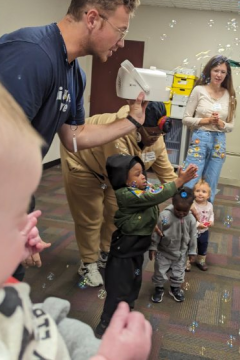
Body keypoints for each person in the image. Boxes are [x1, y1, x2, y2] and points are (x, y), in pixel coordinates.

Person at [0, 41, 151, 360]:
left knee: (74, 330)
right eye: (8, 214)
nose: (27, 220)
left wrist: (5, 249)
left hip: (26, 323)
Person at [0, 0, 145, 276]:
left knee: (6, 292)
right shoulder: (31, 55)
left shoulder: (74, 72)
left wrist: (132, 120)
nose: (121, 43)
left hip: (10, 192)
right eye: (120, 31)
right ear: (93, 18)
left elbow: (75, 137)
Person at [60, 102, 177, 287]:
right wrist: (149, 215)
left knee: (116, 213)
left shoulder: (156, 138)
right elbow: (130, 189)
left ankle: (106, 251)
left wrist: (187, 202)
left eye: (160, 133)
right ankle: (88, 262)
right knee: (91, 215)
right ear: (138, 127)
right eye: (153, 133)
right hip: (82, 161)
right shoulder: (117, 138)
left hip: (115, 173)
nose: (157, 138)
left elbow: (167, 175)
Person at [95, 154, 198, 337]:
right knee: (119, 290)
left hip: (136, 250)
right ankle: (105, 327)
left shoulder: (141, 188)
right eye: (136, 174)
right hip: (124, 252)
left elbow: (157, 191)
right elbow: (156, 195)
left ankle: (125, 318)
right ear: (123, 180)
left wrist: (152, 227)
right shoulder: (126, 194)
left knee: (133, 285)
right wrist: (179, 179)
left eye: (142, 172)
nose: (143, 176)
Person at [182, 55, 237, 202]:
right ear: (209, 71)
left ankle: (204, 219)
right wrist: (206, 120)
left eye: (223, 72)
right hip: (200, 137)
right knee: (190, 179)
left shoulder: (229, 94)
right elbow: (186, 119)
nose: (219, 75)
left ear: (227, 75)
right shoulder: (199, 90)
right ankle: (184, 213)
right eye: (216, 70)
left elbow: (231, 125)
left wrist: (222, 124)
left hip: (219, 141)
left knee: (211, 183)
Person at [149, 187, 197, 303]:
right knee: (160, 271)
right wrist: (153, 247)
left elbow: (193, 236)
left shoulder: (191, 219)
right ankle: (159, 288)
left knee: (179, 272)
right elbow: (156, 232)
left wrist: (192, 251)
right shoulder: (165, 216)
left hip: (181, 253)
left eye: (184, 211)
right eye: (178, 210)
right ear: (173, 203)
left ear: (190, 207)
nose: (181, 213)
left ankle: (175, 288)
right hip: (164, 251)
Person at [189, 179, 215, 271]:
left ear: (208, 195)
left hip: (204, 231)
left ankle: (200, 261)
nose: (200, 193)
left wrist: (211, 221)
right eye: (197, 191)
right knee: (190, 245)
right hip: (192, 231)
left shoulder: (210, 206)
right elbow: (189, 218)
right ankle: (186, 261)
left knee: (203, 245)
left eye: (204, 192)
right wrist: (197, 224)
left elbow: (211, 214)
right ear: (193, 193)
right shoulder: (192, 205)